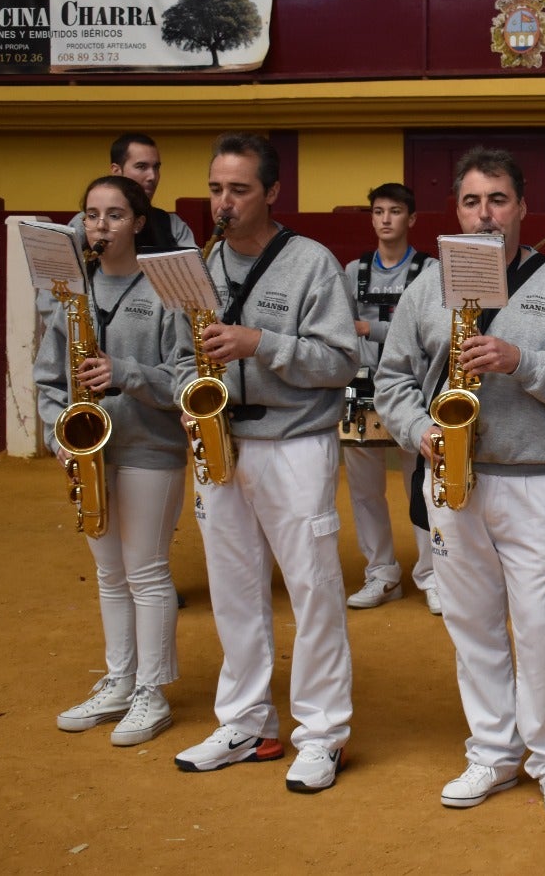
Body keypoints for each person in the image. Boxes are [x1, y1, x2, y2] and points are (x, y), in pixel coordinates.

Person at [375, 146, 545, 818]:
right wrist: (420, 429)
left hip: (533, 481)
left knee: (542, 627)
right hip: (450, 477)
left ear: (521, 208)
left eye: (498, 200)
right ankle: (492, 753)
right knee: (472, 626)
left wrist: (519, 359)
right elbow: (392, 380)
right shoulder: (425, 287)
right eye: (473, 201)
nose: (486, 213)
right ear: (456, 210)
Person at [170, 133, 358, 794]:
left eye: (239, 189)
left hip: (294, 445)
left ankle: (323, 733)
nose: (224, 202)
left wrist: (260, 343)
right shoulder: (201, 262)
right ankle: (247, 721)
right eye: (217, 189)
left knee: (312, 590)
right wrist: (184, 401)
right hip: (220, 442)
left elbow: (340, 361)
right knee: (233, 588)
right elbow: (176, 357)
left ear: (273, 192)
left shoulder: (312, 263)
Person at [37, 175, 187, 747]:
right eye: (92, 216)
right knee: (108, 573)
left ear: (139, 223)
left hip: (151, 445)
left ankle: (153, 692)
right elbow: (48, 376)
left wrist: (123, 373)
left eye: (115, 215)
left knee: (145, 570)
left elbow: (186, 378)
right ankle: (120, 680)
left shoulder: (165, 290)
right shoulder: (72, 293)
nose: (100, 227)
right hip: (90, 450)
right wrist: (59, 436)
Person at [340, 182, 441, 615]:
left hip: (414, 392)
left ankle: (434, 575)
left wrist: (373, 329)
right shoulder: (351, 271)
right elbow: (340, 330)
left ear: (411, 218)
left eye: (395, 211)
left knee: (422, 485)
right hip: (361, 389)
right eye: (378, 211)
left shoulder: (433, 270)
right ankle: (381, 573)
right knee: (364, 491)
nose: (385, 219)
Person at [68, 134, 195, 253]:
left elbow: (196, 271)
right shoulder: (84, 223)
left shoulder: (172, 224)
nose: (152, 176)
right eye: (141, 167)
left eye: (156, 167)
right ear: (116, 171)